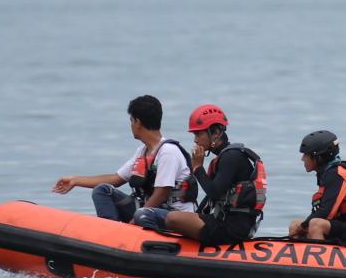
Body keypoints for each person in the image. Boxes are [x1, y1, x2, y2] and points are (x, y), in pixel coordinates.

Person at [49, 95, 194, 227]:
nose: (131, 125)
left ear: (138, 122)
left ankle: (125, 234)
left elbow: (162, 192)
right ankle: (111, 233)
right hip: (148, 211)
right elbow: (116, 179)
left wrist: (134, 221)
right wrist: (75, 180)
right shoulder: (142, 152)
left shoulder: (168, 152)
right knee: (102, 190)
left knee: (141, 215)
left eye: (131, 120)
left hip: (172, 215)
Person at [159, 104, 268, 245]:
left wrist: (198, 168)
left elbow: (214, 193)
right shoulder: (225, 157)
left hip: (231, 229)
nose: (195, 140)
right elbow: (213, 197)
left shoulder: (232, 157)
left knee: (172, 218)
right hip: (224, 222)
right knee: (168, 215)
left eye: (199, 134)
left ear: (215, 133)